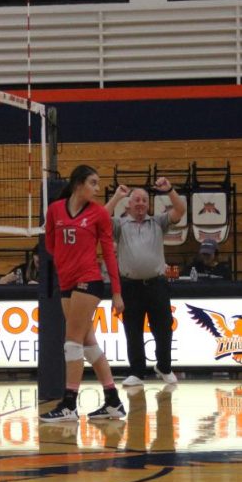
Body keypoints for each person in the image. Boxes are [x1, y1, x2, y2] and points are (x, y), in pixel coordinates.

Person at [41, 164, 126, 422]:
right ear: (78, 184)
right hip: (65, 281)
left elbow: (109, 254)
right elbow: (51, 246)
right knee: (89, 346)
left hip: (89, 281)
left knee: (72, 342)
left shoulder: (99, 214)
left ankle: (69, 404)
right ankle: (113, 401)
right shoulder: (55, 209)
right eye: (93, 183)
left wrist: (117, 292)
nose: (97, 188)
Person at [106, 177, 186, 387]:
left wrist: (169, 190)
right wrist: (116, 197)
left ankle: (164, 367)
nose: (140, 203)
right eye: (136, 200)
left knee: (163, 329)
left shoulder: (158, 222)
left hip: (157, 284)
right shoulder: (119, 225)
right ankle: (137, 372)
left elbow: (180, 210)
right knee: (132, 330)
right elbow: (100, 219)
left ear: (148, 205)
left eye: (144, 200)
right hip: (130, 286)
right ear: (129, 204)